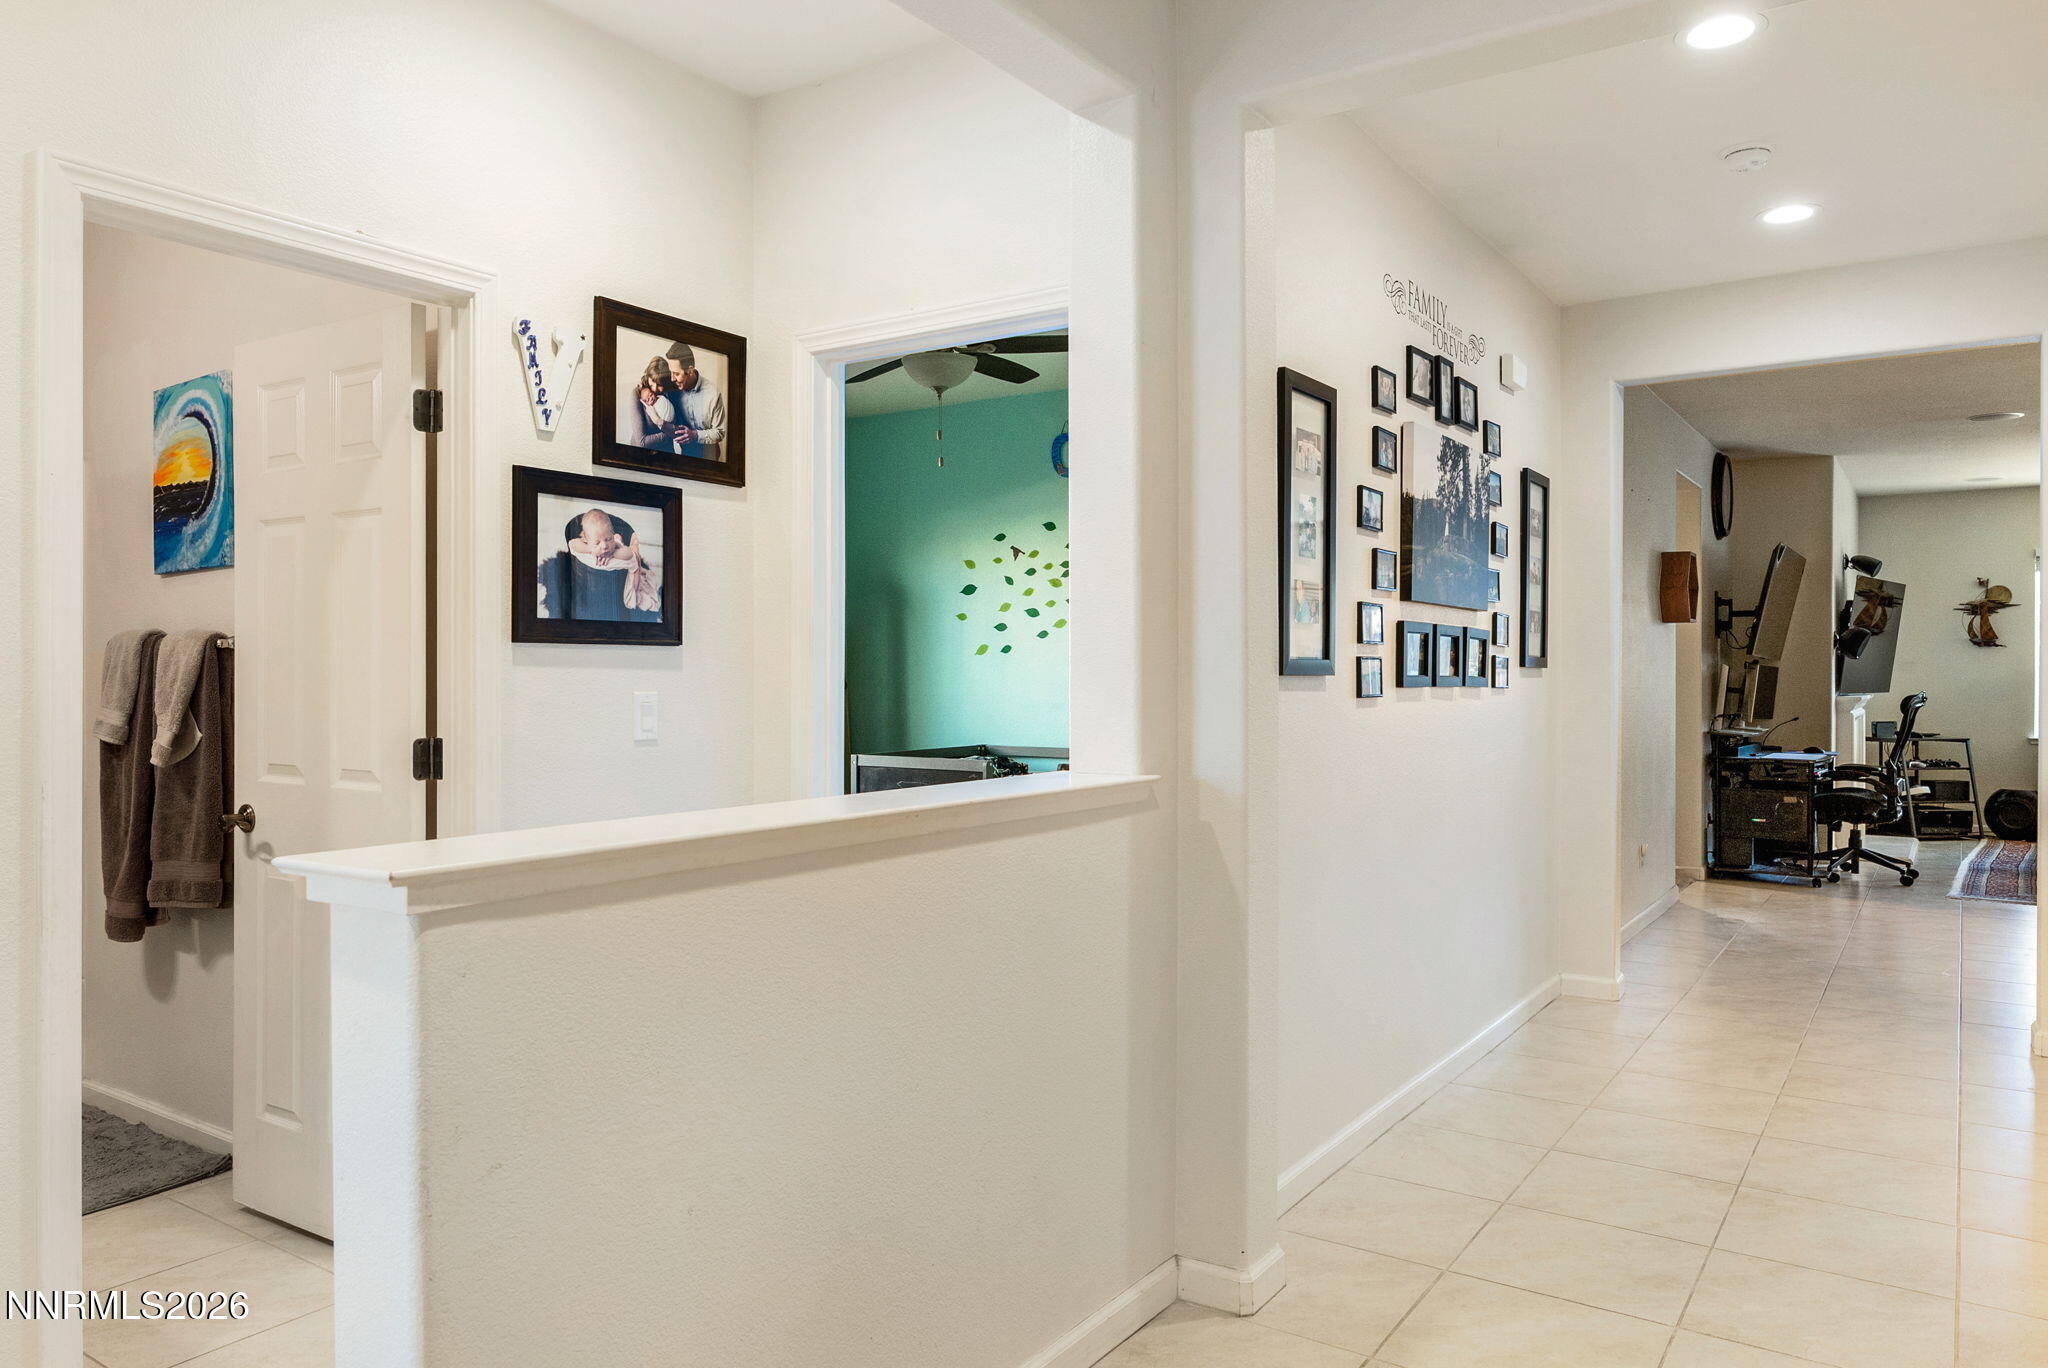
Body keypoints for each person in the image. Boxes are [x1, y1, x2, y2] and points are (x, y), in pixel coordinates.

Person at [635, 342, 726, 462]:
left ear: (690, 371)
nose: (672, 378)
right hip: (685, 456)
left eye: (676, 374)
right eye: (671, 372)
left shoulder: (712, 394)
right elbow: (654, 385)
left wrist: (694, 434)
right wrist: (642, 387)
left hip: (708, 457)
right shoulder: (672, 387)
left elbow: (719, 432)